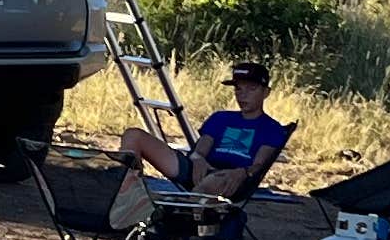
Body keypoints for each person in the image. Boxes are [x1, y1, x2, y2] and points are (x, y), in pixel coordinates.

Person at [109, 62, 292, 230]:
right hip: (200, 168)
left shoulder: (271, 128)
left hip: (231, 177)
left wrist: (243, 172)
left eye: (251, 89)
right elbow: (201, 148)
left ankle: (173, 218)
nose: (242, 95)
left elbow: (259, 165)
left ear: (266, 93)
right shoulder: (221, 118)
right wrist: (198, 158)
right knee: (133, 135)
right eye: (238, 88)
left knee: (212, 181)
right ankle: (126, 200)